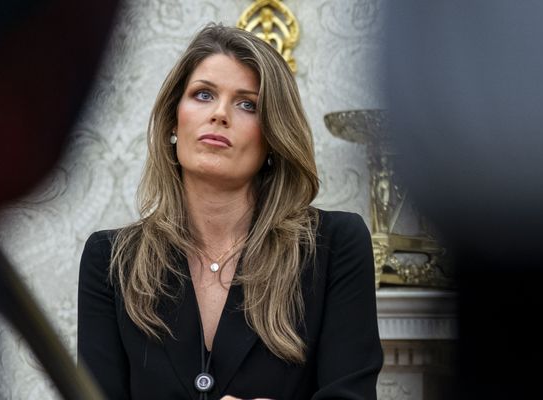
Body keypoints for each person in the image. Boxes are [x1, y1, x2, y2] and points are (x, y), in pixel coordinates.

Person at [77, 24, 382, 400]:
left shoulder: (335, 245)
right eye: (203, 94)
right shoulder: (110, 260)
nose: (220, 114)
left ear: (272, 136)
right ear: (174, 121)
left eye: (247, 104)